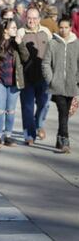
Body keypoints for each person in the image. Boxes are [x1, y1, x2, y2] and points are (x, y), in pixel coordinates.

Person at [0, 19, 29, 148]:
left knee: (11, 110)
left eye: (16, 27)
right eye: (13, 27)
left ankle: (8, 136)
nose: (16, 30)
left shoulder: (17, 42)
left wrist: (20, 44)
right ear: (5, 30)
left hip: (14, 81)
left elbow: (26, 57)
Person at [42, 16, 79, 153]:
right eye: (61, 27)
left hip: (71, 85)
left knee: (64, 113)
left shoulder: (76, 44)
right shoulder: (52, 43)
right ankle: (65, 140)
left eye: (66, 27)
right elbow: (45, 63)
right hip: (56, 85)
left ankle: (59, 138)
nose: (63, 30)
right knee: (63, 111)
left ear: (70, 28)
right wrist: (51, 79)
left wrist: (77, 80)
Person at [19, 6, 52, 145]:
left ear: (39, 19)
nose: (31, 21)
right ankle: (29, 135)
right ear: (26, 18)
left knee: (44, 104)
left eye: (34, 18)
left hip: (44, 76)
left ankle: (39, 125)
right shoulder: (21, 32)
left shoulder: (46, 32)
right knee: (27, 107)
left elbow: (53, 52)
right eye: (29, 18)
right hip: (26, 77)